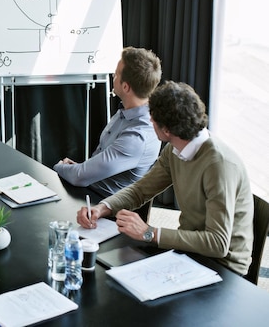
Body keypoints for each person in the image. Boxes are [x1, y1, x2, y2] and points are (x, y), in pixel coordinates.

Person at [76, 81, 253, 276]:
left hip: (224, 268)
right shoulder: (175, 149)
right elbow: (140, 190)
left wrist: (149, 233)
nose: (149, 122)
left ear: (167, 130)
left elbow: (218, 243)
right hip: (191, 253)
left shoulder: (219, 165)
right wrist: (102, 208)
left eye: (152, 119)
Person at [53, 46, 162, 197]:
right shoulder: (126, 111)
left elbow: (80, 177)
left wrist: (58, 167)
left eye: (116, 74)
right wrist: (79, 168)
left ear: (125, 86)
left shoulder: (137, 137)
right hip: (89, 188)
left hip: (102, 205)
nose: (112, 75)